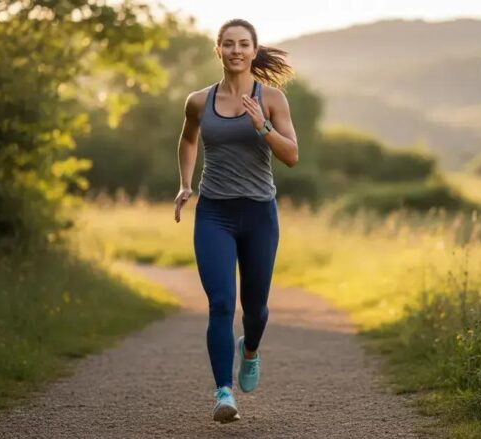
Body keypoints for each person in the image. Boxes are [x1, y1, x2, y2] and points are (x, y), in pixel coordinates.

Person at [173, 18, 299, 423]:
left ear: (254, 50)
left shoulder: (272, 98)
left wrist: (262, 125)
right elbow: (188, 139)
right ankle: (223, 392)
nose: (236, 51)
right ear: (219, 50)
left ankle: (250, 349)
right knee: (221, 303)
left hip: (259, 214)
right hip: (215, 213)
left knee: (256, 309)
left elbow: (291, 155)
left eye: (244, 44)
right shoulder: (198, 101)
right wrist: (185, 183)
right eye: (228, 44)